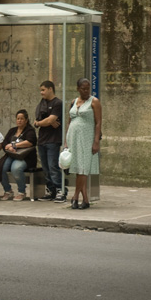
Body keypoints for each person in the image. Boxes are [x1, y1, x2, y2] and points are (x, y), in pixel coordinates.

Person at [65, 78, 102, 210]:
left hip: (87, 139)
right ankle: (85, 200)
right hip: (73, 139)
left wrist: (96, 142)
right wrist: (66, 142)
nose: (86, 91)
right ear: (78, 89)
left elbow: (98, 123)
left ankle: (75, 196)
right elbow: (69, 122)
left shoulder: (94, 101)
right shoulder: (73, 102)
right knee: (77, 168)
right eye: (83, 88)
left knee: (83, 169)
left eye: (88, 88)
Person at [33, 80, 64, 202]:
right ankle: (50, 190)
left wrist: (43, 122)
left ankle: (60, 190)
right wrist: (44, 122)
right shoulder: (42, 103)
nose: (41, 93)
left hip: (53, 140)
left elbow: (51, 119)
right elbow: (39, 120)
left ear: (50, 89)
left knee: (53, 166)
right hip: (42, 140)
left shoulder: (57, 103)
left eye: (43, 90)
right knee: (45, 167)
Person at [0, 109, 37, 201]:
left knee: (15, 168)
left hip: (25, 157)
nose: (19, 120)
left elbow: (30, 142)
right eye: (18, 118)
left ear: (26, 120)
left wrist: (14, 145)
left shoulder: (30, 130)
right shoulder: (12, 130)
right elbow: (4, 143)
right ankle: (8, 190)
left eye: (22, 119)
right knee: (1, 168)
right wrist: (8, 148)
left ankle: (21, 191)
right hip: (11, 155)